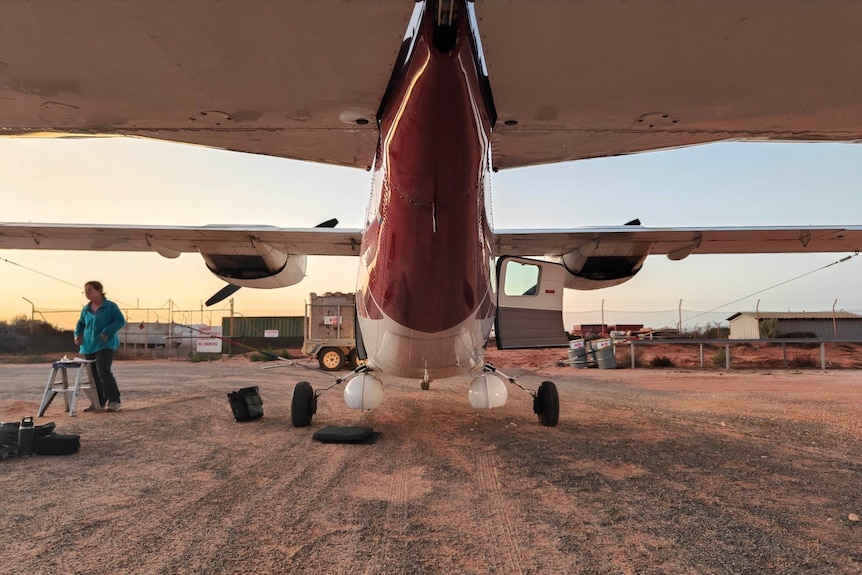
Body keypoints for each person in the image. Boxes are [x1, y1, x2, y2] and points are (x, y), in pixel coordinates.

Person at [74, 281, 125, 412]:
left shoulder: (110, 307)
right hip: (89, 345)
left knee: (103, 371)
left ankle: (114, 400)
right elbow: (80, 323)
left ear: (99, 291)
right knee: (93, 375)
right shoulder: (86, 309)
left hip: (104, 344)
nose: (87, 293)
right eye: (85, 291)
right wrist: (77, 335)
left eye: (89, 290)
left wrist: (107, 331)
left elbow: (120, 321)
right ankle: (98, 401)